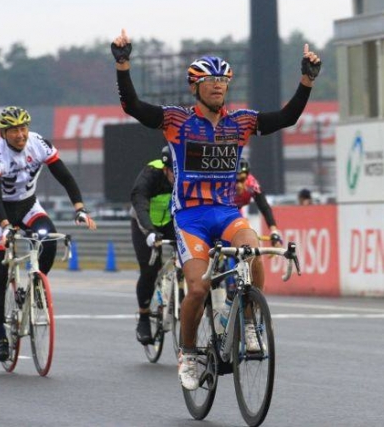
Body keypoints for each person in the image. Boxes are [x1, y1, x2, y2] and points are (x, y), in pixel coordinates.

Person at [111, 28, 321, 390]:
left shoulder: (241, 122)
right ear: (195, 87)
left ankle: (252, 322)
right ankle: (189, 354)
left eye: (223, 80)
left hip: (224, 212)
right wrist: (123, 64)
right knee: (196, 289)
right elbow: (133, 106)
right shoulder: (176, 120)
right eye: (210, 81)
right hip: (190, 217)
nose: (219, 86)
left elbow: (286, 118)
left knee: (253, 249)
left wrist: (306, 80)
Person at [0, 106, 98, 362]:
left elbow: (65, 177)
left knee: (49, 237)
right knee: (1, 272)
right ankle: (0, 335)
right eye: (14, 130)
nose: (20, 134)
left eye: (23, 128)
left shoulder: (39, 144)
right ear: (3, 133)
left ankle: (36, 284)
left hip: (27, 205)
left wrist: (79, 209)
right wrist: (4, 226)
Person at [131, 145, 176, 345]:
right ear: (166, 169)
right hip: (145, 223)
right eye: (173, 173)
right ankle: (143, 316)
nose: (177, 178)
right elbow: (139, 202)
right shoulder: (151, 174)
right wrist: (149, 231)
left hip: (170, 223)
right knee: (149, 270)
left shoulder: (186, 176)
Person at [233, 158, 282, 244]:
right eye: (235, 180)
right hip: (223, 210)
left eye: (242, 180)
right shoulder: (224, 186)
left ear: (247, 177)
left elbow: (264, 207)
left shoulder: (252, 185)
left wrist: (274, 232)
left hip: (237, 210)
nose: (238, 185)